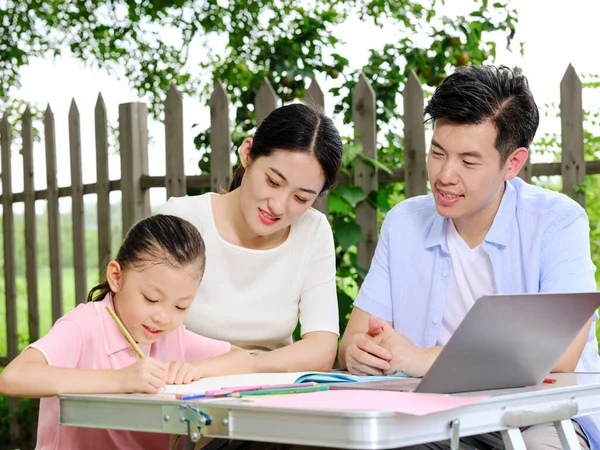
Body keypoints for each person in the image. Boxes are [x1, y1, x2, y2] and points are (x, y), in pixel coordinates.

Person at [339, 65, 600, 449]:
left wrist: (422, 359)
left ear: (512, 162)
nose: (445, 175)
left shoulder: (556, 221)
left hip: (539, 417)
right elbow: (354, 339)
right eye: (438, 153)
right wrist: (360, 353)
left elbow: (561, 353)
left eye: (468, 161)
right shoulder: (404, 222)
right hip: (434, 420)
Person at [0, 214, 257, 450]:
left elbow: (244, 359)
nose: (163, 317)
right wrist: (121, 380)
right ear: (116, 277)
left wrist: (197, 369)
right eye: (151, 299)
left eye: (181, 306)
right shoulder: (85, 325)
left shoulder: (172, 334)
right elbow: (13, 378)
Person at [158, 103, 343, 373]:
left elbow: (321, 350)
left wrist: (243, 366)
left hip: (268, 393)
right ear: (247, 153)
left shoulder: (313, 231)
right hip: (181, 386)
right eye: (273, 182)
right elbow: (138, 322)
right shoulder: (183, 219)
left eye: (301, 198)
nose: (278, 206)